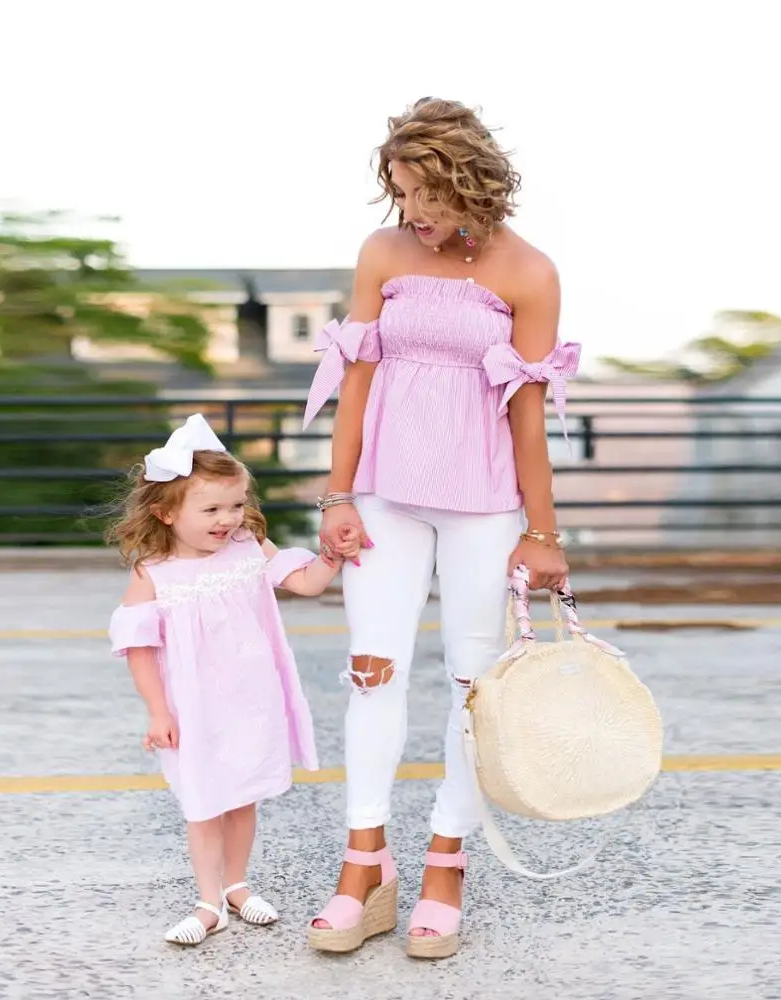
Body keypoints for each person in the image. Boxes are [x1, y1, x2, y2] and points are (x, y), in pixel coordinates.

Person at [303, 97, 580, 960]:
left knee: (472, 684)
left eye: (427, 193)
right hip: (385, 491)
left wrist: (544, 533)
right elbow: (354, 381)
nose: (413, 213)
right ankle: (364, 864)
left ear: (472, 181)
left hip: (485, 504)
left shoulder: (528, 271)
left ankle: (445, 865)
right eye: (400, 193)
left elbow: (527, 417)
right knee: (371, 672)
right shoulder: (383, 254)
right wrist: (337, 496)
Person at [106, 414, 357, 947]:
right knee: (202, 800)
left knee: (243, 795)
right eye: (212, 509)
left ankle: (238, 885)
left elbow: (305, 582)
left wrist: (332, 555)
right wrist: (157, 711)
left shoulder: (247, 548)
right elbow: (138, 647)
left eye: (237, 505)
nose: (228, 519)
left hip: (251, 697)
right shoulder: (154, 571)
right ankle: (208, 900)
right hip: (192, 705)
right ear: (166, 513)